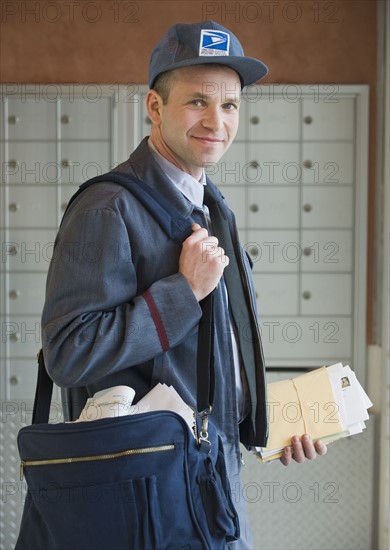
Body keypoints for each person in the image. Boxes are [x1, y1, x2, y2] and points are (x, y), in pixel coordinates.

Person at [41, 20, 327, 548]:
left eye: (231, 105)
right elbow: (68, 352)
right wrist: (182, 292)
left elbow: (210, 357)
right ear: (155, 107)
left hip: (213, 482)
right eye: (197, 102)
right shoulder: (108, 208)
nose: (216, 121)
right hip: (146, 503)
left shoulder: (212, 208)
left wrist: (268, 425)